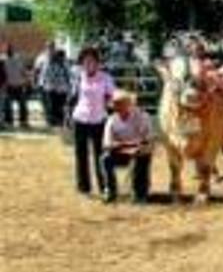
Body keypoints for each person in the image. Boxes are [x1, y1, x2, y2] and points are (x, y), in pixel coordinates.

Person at [69, 47, 116, 196]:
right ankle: (83, 187)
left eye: (92, 61)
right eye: (85, 61)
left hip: (99, 120)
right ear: (82, 63)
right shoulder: (78, 76)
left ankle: (105, 187)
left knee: (100, 156)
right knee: (80, 155)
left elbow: (112, 96)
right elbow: (73, 96)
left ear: (97, 63)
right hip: (80, 119)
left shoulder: (106, 78)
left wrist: (110, 102)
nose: (89, 64)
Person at [101, 90, 154, 204]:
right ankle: (110, 191)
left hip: (140, 150)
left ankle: (140, 194)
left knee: (142, 155)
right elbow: (106, 144)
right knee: (105, 158)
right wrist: (127, 145)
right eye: (116, 105)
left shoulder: (143, 117)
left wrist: (133, 146)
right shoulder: (111, 120)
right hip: (120, 151)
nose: (118, 108)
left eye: (121, 104)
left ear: (129, 105)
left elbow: (148, 139)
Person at [40, 49, 72, 128]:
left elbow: (68, 76)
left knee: (59, 106)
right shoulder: (49, 64)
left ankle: (59, 121)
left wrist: (68, 86)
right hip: (51, 88)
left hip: (61, 89)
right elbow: (44, 75)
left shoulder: (64, 65)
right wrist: (43, 85)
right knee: (52, 106)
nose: (62, 58)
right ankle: (52, 121)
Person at [3, 44, 30, 128]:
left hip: (19, 85)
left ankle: (23, 121)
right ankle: (9, 121)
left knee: (23, 104)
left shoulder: (18, 59)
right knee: (7, 105)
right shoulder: (2, 60)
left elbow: (23, 71)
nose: (9, 50)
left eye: (10, 49)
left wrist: (27, 80)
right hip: (8, 86)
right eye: (7, 49)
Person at [34, 40, 56, 124]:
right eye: (49, 47)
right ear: (45, 47)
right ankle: (48, 118)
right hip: (42, 84)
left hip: (54, 85)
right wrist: (34, 82)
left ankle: (51, 119)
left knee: (52, 103)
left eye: (52, 47)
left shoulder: (57, 58)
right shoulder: (41, 58)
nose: (50, 48)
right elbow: (36, 71)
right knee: (45, 102)